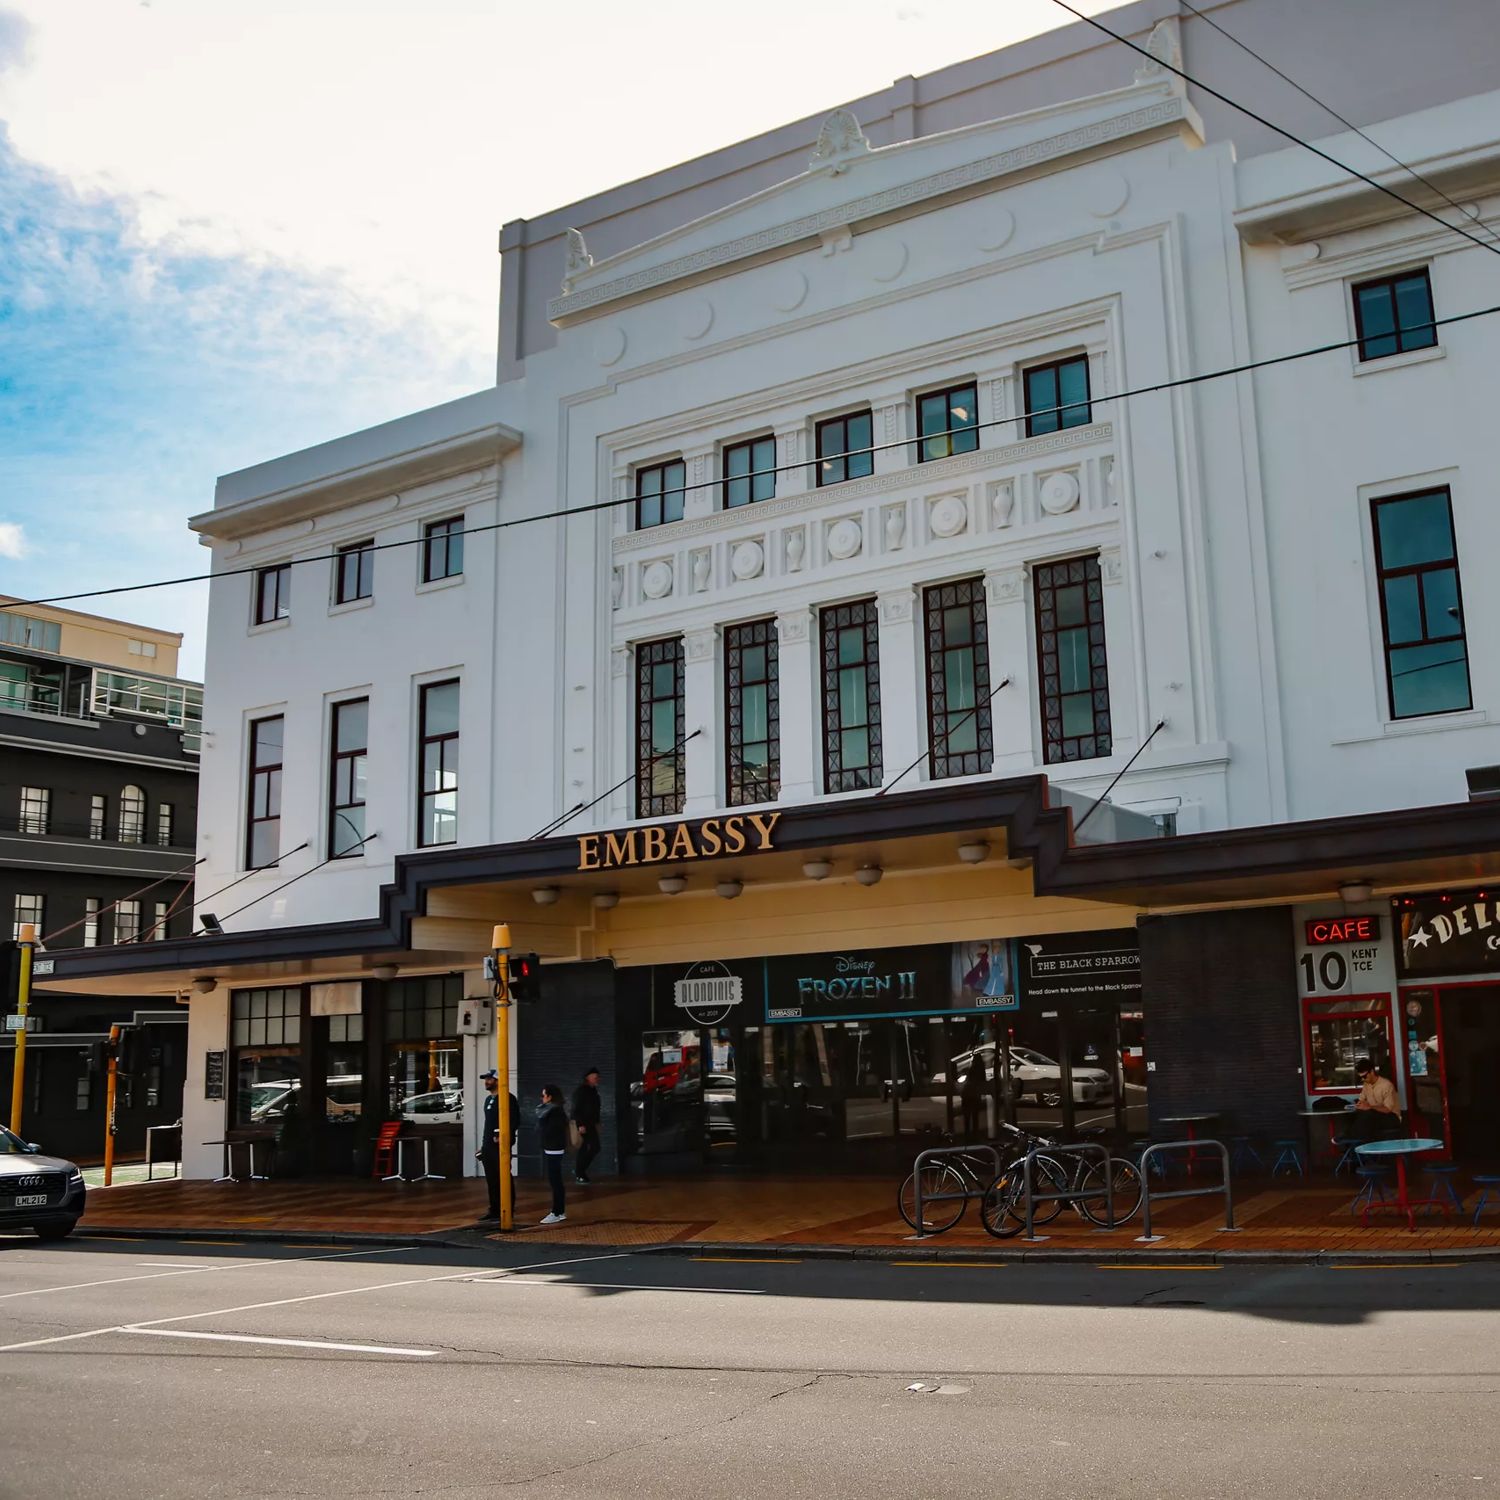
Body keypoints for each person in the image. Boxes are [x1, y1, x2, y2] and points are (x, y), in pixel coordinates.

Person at [475, 1069, 520, 1224]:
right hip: (488, 1145)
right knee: (491, 1179)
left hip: (501, 1144)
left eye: (490, 1079)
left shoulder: (508, 1099)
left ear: (497, 1080)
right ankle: (494, 1209)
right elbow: (488, 1125)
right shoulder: (488, 1100)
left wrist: (503, 1135)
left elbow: (515, 1120)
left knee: (503, 1176)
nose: (487, 1082)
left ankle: (508, 1208)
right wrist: (483, 1145)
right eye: (486, 1079)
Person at [1350, 1057, 1403, 1143]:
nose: (1363, 1079)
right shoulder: (1366, 1084)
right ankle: (1356, 1143)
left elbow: (1387, 1109)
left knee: (1368, 1117)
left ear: (1372, 1072)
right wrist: (1360, 1104)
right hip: (1375, 1116)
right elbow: (1362, 1099)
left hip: (1391, 1117)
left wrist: (1369, 1107)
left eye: (1364, 1076)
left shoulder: (1386, 1085)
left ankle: (1352, 1138)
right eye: (1361, 1077)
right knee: (1354, 1116)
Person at [537, 1084, 569, 1224]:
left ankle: (557, 1211)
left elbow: (552, 1130)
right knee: (555, 1180)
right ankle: (559, 1211)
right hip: (553, 1147)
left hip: (553, 1148)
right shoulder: (555, 1110)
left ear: (550, 1097)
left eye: (543, 1095)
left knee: (555, 1180)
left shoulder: (554, 1111)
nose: (541, 1098)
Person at [572, 1066, 602, 1185]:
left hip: (591, 1124)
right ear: (588, 1078)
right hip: (584, 1125)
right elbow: (576, 1109)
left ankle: (580, 1172)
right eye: (595, 1077)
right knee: (589, 1148)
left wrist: (597, 1122)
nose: (597, 1079)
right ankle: (579, 1172)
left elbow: (594, 1109)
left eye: (597, 1077)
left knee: (590, 1148)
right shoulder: (582, 1091)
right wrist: (580, 1124)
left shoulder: (593, 1091)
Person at [960, 1051, 988, 1139]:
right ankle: (975, 1134)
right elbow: (983, 1081)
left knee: (967, 1116)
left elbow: (967, 1081)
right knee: (975, 1115)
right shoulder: (981, 1069)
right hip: (976, 1094)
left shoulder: (971, 1069)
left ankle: (967, 1134)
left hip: (968, 1094)